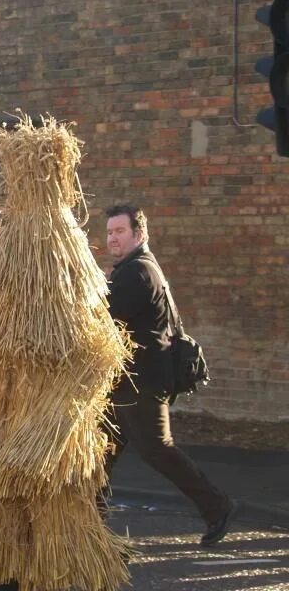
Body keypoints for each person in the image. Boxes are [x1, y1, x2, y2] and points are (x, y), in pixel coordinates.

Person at [102, 204, 236, 546]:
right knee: (97, 454)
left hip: (141, 382)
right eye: (109, 232)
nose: (112, 238)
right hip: (126, 382)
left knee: (158, 449)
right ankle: (91, 532)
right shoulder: (134, 268)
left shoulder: (138, 272)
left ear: (139, 233)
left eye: (120, 231)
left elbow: (103, 317)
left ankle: (218, 505)